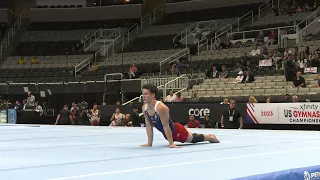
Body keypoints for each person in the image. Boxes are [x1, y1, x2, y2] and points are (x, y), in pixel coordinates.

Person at [140, 84, 220, 148]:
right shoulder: (144, 108)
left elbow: (166, 126)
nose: (143, 96)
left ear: (153, 95)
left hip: (176, 131)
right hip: (167, 134)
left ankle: (210, 137)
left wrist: (171, 143)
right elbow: (148, 126)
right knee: (192, 136)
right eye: (143, 94)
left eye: (146, 94)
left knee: (193, 139)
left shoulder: (161, 108)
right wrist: (149, 143)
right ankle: (208, 135)